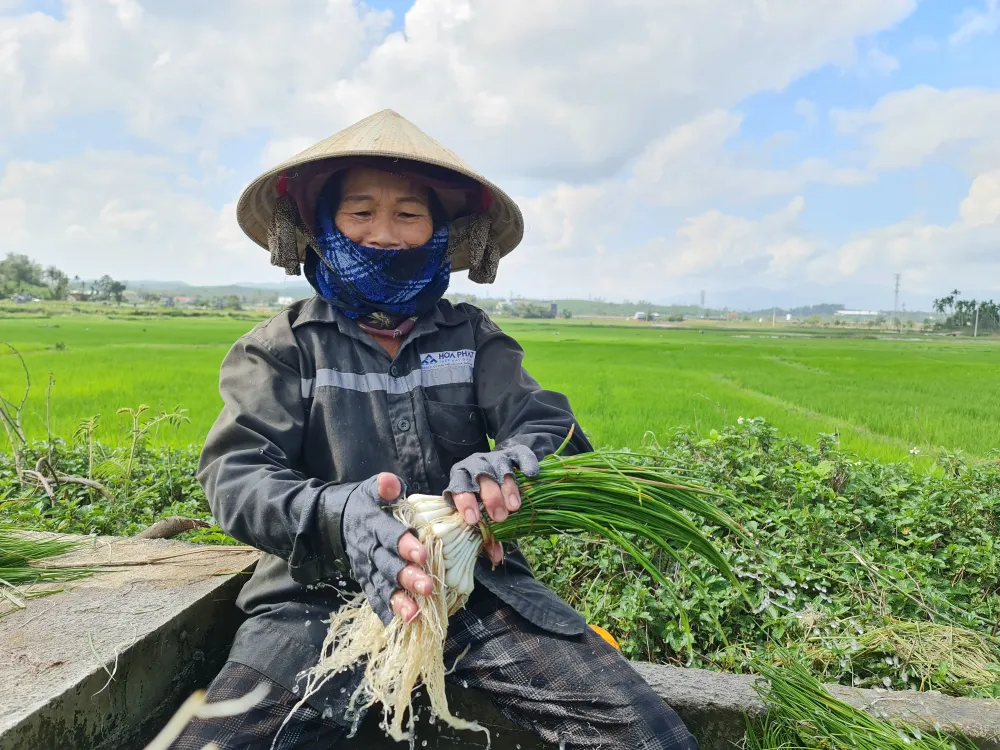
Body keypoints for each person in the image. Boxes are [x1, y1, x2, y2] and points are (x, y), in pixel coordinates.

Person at [171, 110, 697, 749]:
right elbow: (238, 476)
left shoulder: (472, 339)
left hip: (475, 589)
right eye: (360, 214)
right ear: (322, 227)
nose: (385, 235)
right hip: (314, 599)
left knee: (651, 738)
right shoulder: (282, 349)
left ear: (441, 233)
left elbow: (547, 423)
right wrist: (342, 516)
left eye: (409, 215)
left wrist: (511, 462)